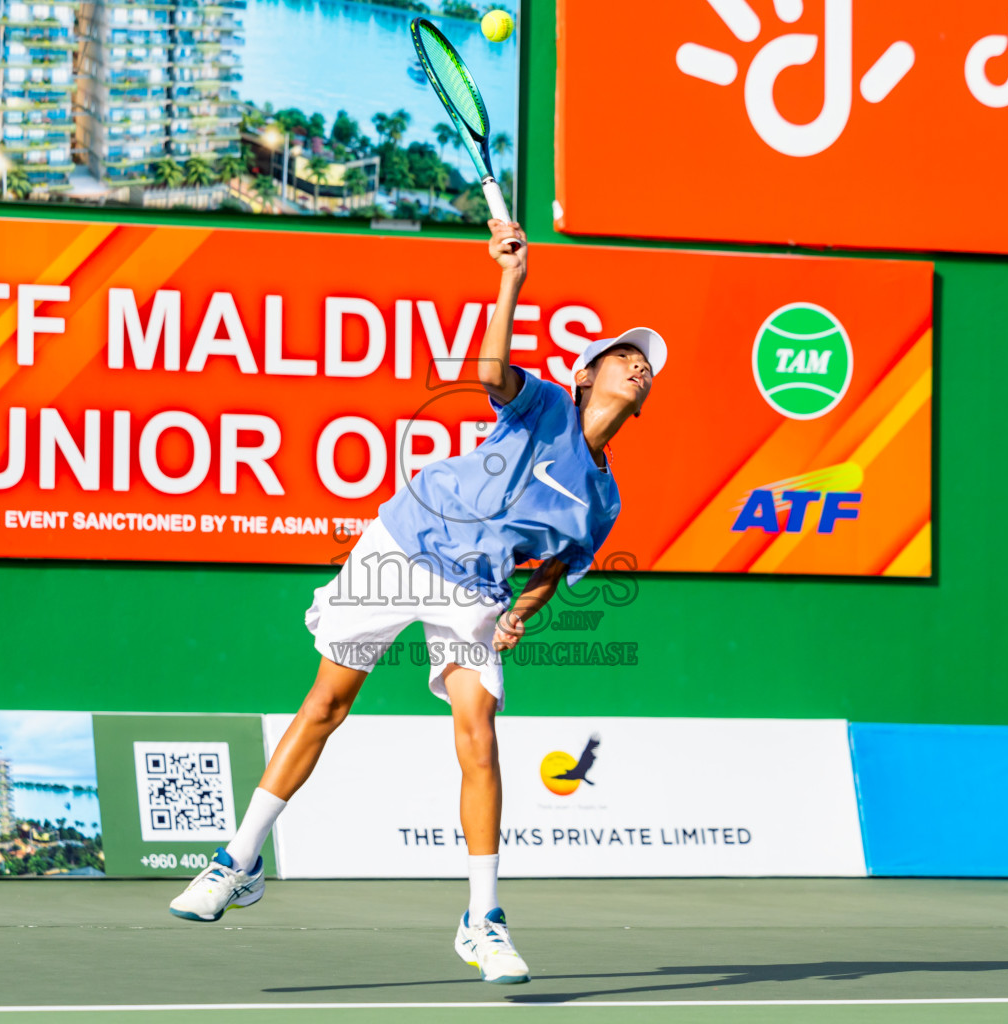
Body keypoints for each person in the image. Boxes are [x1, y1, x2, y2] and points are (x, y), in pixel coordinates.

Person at [166, 219, 667, 985]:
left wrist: (520, 614)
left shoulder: (604, 500)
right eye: (624, 358)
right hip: (402, 545)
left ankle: (483, 920)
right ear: (586, 374)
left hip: (474, 589)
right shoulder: (543, 410)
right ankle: (235, 862)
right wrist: (511, 278)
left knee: (479, 730)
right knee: (329, 701)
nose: (637, 369)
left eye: (646, 369)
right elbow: (493, 366)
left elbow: (556, 567)